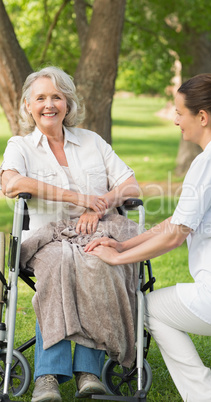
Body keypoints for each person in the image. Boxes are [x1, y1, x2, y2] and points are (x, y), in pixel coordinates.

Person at [85, 73, 211, 402]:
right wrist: (126, 243)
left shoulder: (209, 162)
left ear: (202, 117)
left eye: (180, 112)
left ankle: (202, 397)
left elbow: (175, 236)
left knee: (148, 307)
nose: (174, 120)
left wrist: (117, 257)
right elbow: (177, 221)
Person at [0, 66, 140, 402]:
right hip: (47, 239)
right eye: (41, 98)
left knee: (98, 262)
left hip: (97, 230)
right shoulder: (21, 145)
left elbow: (129, 183)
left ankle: (88, 371)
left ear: (68, 103)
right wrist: (76, 198)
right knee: (61, 264)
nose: (49, 104)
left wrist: (99, 204)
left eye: (56, 97)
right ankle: (49, 375)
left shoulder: (91, 141)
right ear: (28, 105)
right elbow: (11, 183)